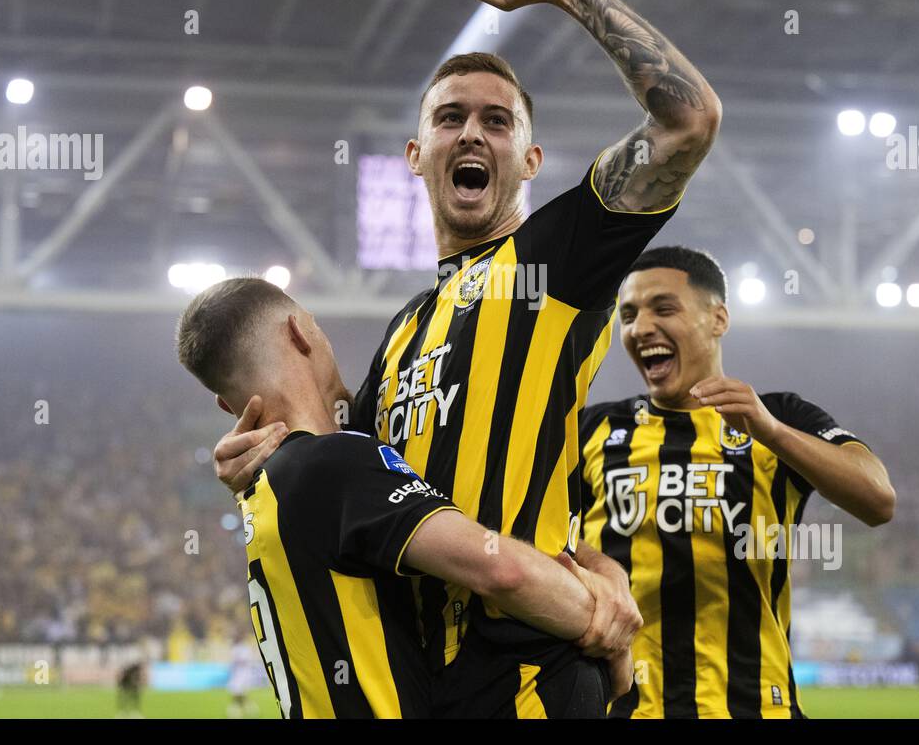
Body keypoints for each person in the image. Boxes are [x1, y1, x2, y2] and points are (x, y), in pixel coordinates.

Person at [213, 0, 721, 715]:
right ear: (417, 155)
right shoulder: (405, 332)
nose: (473, 132)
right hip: (427, 686)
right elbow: (344, 458)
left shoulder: (550, 262)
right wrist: (264, 446)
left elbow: (689, 121)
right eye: (451, 119)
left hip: (535, 683)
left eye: (497, 120)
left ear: (530, 159)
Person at [178, 277, 614, 717]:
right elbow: (501, 570)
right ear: (299, 332)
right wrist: (607, 628)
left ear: (224, 405)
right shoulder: (335, 464)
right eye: (316, 326)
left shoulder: (259, 490)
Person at [579, 246, 896, 717]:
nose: (641, 327)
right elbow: (542, 540)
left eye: (663, 308)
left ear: (718, 318)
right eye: (628, 315)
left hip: (755, 707)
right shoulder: (592, 428)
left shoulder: (780, 416)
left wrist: (771, 431)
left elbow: (877, 499)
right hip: (624, 709)